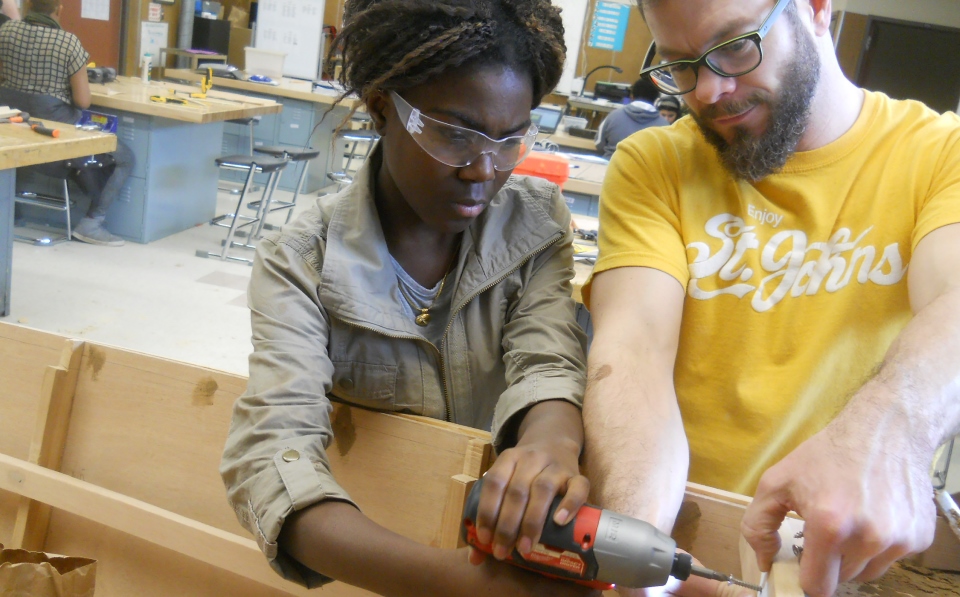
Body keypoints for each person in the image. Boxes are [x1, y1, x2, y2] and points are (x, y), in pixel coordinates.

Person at [581, 0, 960, 596]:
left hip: (830, 561)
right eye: (681, 66)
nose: (709, 91)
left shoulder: (939, 155)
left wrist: (892, 425)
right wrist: (639, 553)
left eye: (734, 46)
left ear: (815, 9)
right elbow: (633, 353)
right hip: (682, 545)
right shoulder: (653, 164)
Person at [220, 2, 595, 596]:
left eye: (509, 139)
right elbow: (270, 455)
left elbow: (547, 357)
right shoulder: (300, 262)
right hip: (377, 560)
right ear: (381, 110)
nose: (483, 170)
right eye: (454, 134)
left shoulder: (535, 223)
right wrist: (453, 584)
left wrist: (553, 441)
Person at [0, 0, 134, 246]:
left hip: (14, 130)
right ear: (59, 9)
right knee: (124, 156)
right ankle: (91, 224)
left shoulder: (6, 31)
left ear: (28, 5)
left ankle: (11, 213)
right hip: (54, 133)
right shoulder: (68, 43)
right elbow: (83, 101)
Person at [595, 77, 668, 158]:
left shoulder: (614, 115)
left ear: (631, 96)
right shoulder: (665, 126)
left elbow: (598, 143)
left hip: (611, 166)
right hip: (645, 170)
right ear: (656, 100)